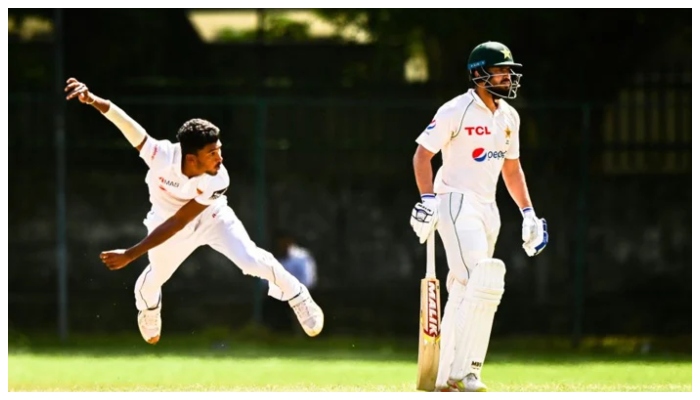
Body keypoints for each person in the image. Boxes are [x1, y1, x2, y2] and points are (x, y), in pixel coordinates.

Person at [64, 77, 324, 344]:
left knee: (250, 261)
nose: (220, 158)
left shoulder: (219, 178)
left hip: (212, 219)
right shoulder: (161, 156)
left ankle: (297, 294)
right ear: (191, 158)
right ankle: (149, 309)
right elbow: (127, 125)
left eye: (220, 150)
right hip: (166, 225)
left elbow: (181, 219)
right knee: (154, 281)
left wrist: (131, 253)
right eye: (212, 153)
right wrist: (93, 100)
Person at [409, 41, 548, 392]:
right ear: (478, 74)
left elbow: (512, 170)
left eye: (508, 70)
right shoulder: (456, 109)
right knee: (482, 280)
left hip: (489, 208)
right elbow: (422, 156)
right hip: (455, 201)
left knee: (461, 289)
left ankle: (444, 377)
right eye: (500, 69)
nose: (506, 76)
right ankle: (466, 372)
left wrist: (528, 213)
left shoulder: (509, 116)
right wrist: (427, 200)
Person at [263, 230, 318, 333]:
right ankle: (272, 333)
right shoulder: (271, 257)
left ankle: (300, 333)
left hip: (299, 292)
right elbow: (264, 280)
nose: (282, 245)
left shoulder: (301, 257)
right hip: (278, 294)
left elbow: (308, 279)